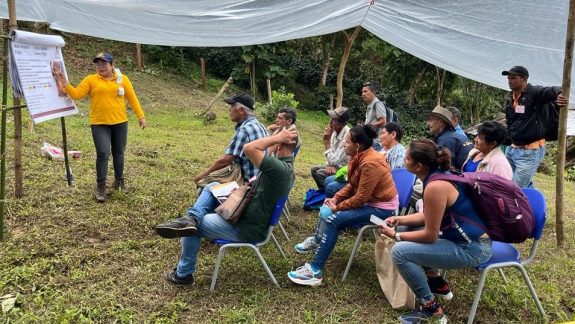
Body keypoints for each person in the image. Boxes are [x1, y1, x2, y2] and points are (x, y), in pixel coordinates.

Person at [154, 128, 298, 285]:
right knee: (213, 186)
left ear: (278, 146)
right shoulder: (284, 167)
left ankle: (183, 275)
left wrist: (278, 137)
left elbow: (250, 148)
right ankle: (192, 217)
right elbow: (263, 151)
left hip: (245, 228)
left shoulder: (279, 169)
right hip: (246, 212)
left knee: (191, 229)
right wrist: (278, 138)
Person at [378, 139, 492, 323]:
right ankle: (437, 284)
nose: (403, 160)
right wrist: (400, 219)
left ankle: (431, 308)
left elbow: (430, 235)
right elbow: (427, 216)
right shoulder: (436, 176)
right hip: (462, 239)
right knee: (408, 226)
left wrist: (395, 235)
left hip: (472, 248)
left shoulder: (435, 187)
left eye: (407, 158)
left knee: (400, 252)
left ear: (419, 165)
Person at [289, 125, 398, 286]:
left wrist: (337, 207)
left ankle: (315, 270)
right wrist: (336, 198)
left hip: (382, 212)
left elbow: (360, 198)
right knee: (327, 206)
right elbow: (352, 185)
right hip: (371, 204)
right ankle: (318, 240)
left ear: (357, 145)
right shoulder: (358, 156)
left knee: (334, 219)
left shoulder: (370, 164)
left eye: (347, 142)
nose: (343, 145)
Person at [53, 52, 146, 202]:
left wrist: (141, 116)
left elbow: (132, 97)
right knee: (103, 153)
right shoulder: (91, 79)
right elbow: (77, 94)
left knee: (119, 153)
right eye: (98, 63)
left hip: (120, 123)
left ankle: (119, 182)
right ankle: (101, 187)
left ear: (112, 65)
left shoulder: (123, 79)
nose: (101, 66)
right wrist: (64, 82)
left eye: (104, 63)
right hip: (99, 123)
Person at [502, 66, 567, 188]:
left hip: (529, 151)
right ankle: (533, 205)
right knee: (512, 183)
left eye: (513, 78)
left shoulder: (534, 93)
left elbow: (554, 90)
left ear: (524, 79)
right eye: (509, 78)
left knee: (515, 189)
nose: (510, 81)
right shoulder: (511, 97)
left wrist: (559, 95)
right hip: (512, 149)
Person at [194, 93, 268, 186]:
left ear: (241, 110)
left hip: (247, 183)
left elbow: (225, 161)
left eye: (232, 106)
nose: (229, 109)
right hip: (259, 179)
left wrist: (202, 175)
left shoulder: (244, 130)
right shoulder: (260, 125)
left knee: (207, 185)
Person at [324, 122, 406, 198]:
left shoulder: (399, 153)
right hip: (364, 179)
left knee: (331, 187)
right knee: (328, 180)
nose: (380, 137)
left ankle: (337, 207)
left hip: (375, 187)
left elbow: (396, 178)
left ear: (393, 134)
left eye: (383, 133)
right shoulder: (384, 149)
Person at [310, 107, 350, 191]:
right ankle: (323, 193)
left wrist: (326, 141)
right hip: (335, 165)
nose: (331, 122)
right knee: (314, 169)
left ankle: (330, 196)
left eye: (335, 120)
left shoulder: (347, 136)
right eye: (331, 119)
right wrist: (329, 165)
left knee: (320, 173)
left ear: (343, 123)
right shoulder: (334, 131)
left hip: (345, 170)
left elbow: (334, 160)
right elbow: (332, 156)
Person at [427, 105, 473, 171]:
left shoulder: (445, 141)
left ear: (440, 122)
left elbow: (446, 169)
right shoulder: (457, 136)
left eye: (431, 120)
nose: (428, 124)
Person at [361, 82, 387, 150]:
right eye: (362, 92)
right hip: (370, 141)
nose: (363, 94)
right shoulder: (370, 105)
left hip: (376, 143)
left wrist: (367, 126)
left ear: (373, 92)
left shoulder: (378, 104)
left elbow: (383, 121)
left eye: (365, 91)